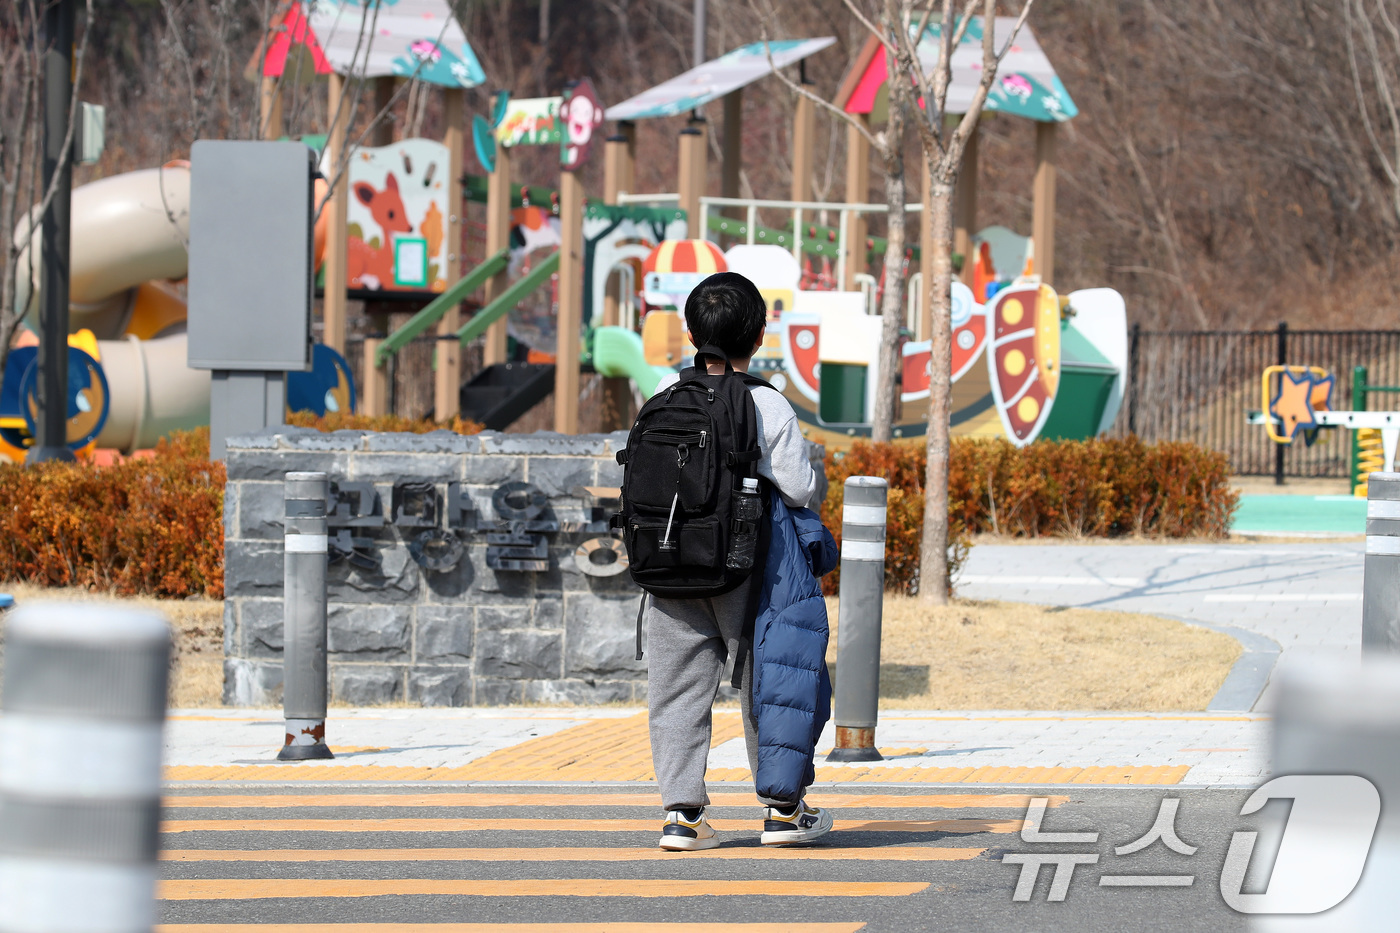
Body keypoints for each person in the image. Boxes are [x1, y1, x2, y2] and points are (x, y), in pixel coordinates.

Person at [642, 272, 836, 851]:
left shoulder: (662, 393)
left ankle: (682, 817)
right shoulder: (767, 404)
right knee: (764, 684)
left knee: (676, 691)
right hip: (743, 565)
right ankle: (782, 810)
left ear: (692, 332)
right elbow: (798, 489)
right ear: (757, 335)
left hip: (669, 564)